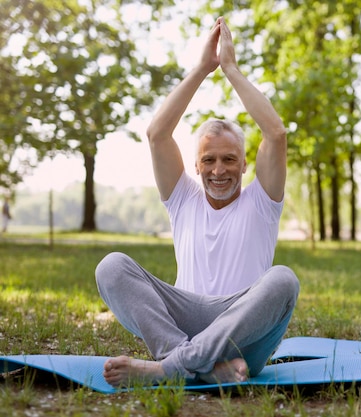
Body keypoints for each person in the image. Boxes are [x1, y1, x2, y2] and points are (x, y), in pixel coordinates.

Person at [95, 17, 299, 387]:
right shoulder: (183, 198)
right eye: (209, 160)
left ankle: (168, 370)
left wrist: (231, 69)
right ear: (196, 165)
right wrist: (202, 69)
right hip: (183, 319)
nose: (218, 170)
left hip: (244, 330)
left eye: (229, 159)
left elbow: (276, 132)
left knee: (283, 280)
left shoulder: (262, 200)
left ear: (244, 163)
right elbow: (157, 134)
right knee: (111, 267)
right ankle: (199, 366)